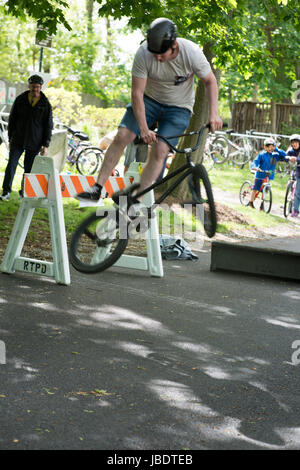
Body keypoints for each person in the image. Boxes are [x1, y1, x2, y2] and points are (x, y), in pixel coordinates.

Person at [76, 17, 223, 202]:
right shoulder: (144, 53)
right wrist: (144, 129)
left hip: (179, 107)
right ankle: (97, 188)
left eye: (162, 54)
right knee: (123, 136)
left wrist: (214, 114)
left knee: (161, 150)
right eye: (155, 54)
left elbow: (210, 81)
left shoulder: (191, 53)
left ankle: (136, 199)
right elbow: (137, 94)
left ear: (174, 45)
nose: (158, 58)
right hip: (149, 101)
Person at [0, 75, 53, 201]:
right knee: (11, 165)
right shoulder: (20, 99)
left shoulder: (45, 104)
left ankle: (24, 192)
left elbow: (48, 126)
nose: (35, 89)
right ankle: (6, 192)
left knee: (29, 169)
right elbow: (12, 119)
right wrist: (10, 137)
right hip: (18, 139)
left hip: (35, 142)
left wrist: (46, 145)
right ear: (29, 86)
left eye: (38, 87)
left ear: (41, 87)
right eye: (33, 86)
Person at [247, 137, 291, 209]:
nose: (270, 148)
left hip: (268, 175)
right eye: (268, 147)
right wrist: (255, 167)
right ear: (265, 147)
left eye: (272, 147)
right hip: (260, 175)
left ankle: (262, 204)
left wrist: (276, 149)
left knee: (265, 190)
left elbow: (284, 155)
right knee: (255, 188)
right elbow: (255, 161)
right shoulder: (261, 155)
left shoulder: (275, 155)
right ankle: (251, 202)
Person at [286, 134, 300, 217]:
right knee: (297, 192)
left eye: (296, 142)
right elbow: (285, 155)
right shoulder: (291, 150)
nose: (294, 144)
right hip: (298, 172)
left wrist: (297, 159)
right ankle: (295, 210)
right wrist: (287, 157)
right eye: (292, 142)